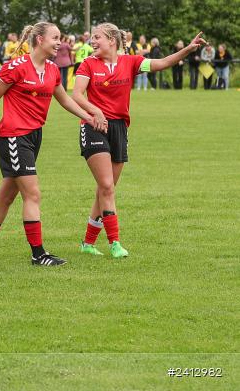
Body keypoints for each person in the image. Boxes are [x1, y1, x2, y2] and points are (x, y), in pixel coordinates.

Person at [0, 22, 106, 267]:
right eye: (55, 38)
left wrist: (89, 117)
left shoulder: (53, 69)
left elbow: (64, 100)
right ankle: (38, 254)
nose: (59, 42)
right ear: (39, 40)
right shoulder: (16, 67)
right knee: (32, 194)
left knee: (6, 197)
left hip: (33, 137)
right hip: (13, 137)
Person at [71, 25, 206, 259]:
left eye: (97, 37)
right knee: (107, 186)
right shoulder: (88, 64)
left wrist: (187, 50)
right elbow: (76, 95)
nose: (92, 41)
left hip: (120, 129)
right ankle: (115, 243)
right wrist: (96, 112)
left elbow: (162, 62)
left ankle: (87, 243)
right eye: (92, 37)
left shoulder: (131, 62)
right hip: (94, 126)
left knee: (105, 189)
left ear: (112, 40)